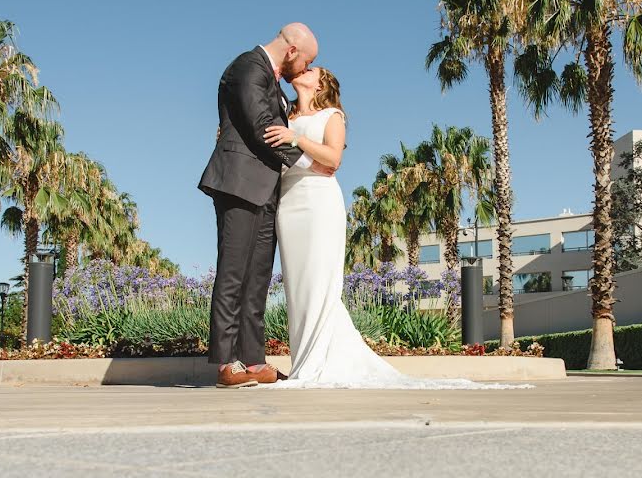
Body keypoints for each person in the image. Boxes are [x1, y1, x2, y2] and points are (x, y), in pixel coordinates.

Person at [264, 68, 505, 389]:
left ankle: (316, 364)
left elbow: (332, 160)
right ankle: (304, 363)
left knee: (320, 283)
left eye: (311, 69)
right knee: (298, 287)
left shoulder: (331, 116)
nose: (303, 70)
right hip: (288, 203)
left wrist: (297, 138)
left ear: (321, 83)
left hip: (319, 204)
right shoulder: (285, 112)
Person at [198, 23, 333, 388]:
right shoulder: (248, 66)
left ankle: (254, 360)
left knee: (257, 279)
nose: (304, 69)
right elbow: (261, 128)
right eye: (306, 61)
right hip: (239, 185)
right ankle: (227, 363)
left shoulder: (272, 81)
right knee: (233, 273)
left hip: (267, 190)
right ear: (292, 51)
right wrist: (312, 165)